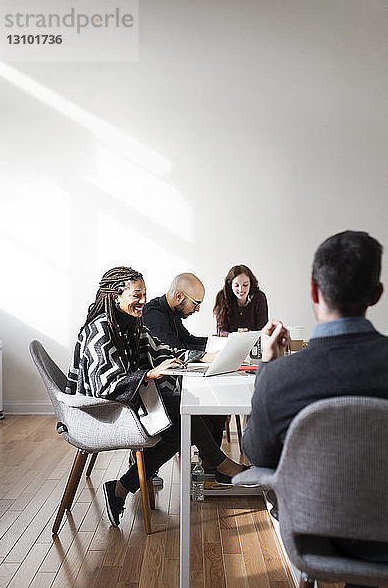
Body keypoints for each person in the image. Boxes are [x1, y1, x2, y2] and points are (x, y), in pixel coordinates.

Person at [242, 230, 388, 578]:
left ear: (313, 290)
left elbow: (257, 455)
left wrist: (269, 367)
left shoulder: (281, 377)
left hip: (316, 536)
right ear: (377, 295)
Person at [67, 266, 248, 528]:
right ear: (116, 297)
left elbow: (163, 350)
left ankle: (120, 488)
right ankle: (222, 466)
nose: (143, 300)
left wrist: (206, 357)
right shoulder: (100, 330)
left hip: (123, 402)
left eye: (144, 293)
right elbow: (103, 385)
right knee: (180, 413)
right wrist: (150, 374)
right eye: (136, 294)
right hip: (98, 411)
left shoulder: (130, 324)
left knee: (179, 424)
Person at [143, 272, 226, 463]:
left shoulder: (171, 313)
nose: (197, 309)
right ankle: (215, 464)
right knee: (209, 408)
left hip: (171, 380)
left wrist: (218, 343)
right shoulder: (153, 315)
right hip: (158, 387)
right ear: (179, 296)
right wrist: (208, 355)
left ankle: (211, 463)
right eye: (196, 303)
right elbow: (175, 351)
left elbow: (187, 340)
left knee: (218, 409)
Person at [213, 264, 268, 336]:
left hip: (253, 342)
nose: (241, 290)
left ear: (251, 284)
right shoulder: (222, 297)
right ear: (230, 285)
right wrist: (236, 337)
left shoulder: (259, 297)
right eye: (236, 285)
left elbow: (263, 329)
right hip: (230, 343)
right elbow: (222, 330)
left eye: (245, 285)